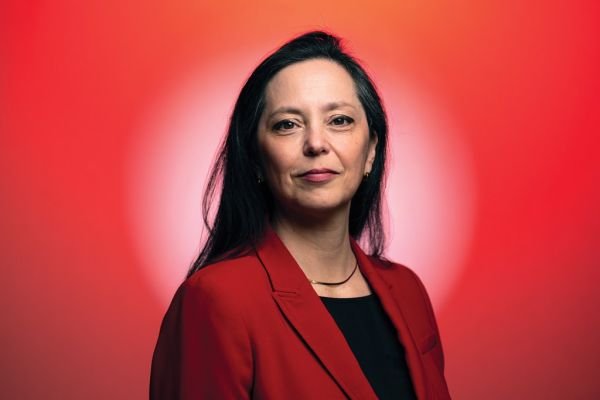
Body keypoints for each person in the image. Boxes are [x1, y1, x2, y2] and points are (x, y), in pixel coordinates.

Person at [149, 31, 451, 400]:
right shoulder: (217, 299)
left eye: (339, 120)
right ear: (255, 158)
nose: (316, 143)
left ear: (371, 150)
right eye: (287, 125)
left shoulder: (408, 290)